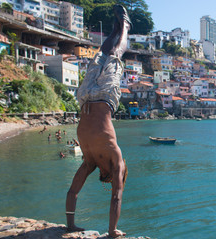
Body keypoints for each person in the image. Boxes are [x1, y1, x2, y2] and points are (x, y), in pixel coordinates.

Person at [65, 4, 131, 238]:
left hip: (92, 97)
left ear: (112, 175)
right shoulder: (92, 161)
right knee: (110, 55)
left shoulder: (101, 161)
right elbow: (73, 193)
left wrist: (73, 226)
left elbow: (115, 196)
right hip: (91, 97)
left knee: (106, 55)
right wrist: (111, 231)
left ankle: (120, 28)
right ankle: (123, 26)